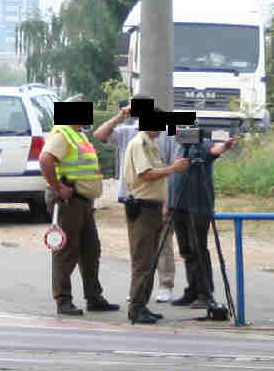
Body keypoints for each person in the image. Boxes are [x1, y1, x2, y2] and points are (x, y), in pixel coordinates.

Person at [93, 98, 178, 303]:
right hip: (136, 199)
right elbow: (100, 135)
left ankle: (163, 284)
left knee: (161, 244)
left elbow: (171, 172)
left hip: (156, 198)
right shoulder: (132, 135)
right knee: (139, 248)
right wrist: (121, 116)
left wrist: (168, 201)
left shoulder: (166, 136)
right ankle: (139, 291)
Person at [39, 115, 119, 316]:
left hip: (82, 201)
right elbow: (45, 159)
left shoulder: (79, 135)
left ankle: (94, 297)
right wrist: (58, 187)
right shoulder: (62, 134)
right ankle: (63, 300)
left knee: (90, 250)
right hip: (68, 201)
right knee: (66, 252)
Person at [122, 125, 189, 324]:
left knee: (150, 260)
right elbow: (146, 174)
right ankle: (136, 307)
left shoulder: (151, 144)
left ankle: (142, 304)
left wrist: (164, 205)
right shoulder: (139, 144)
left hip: (153, 207)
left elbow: (157, 180)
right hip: (142, 208)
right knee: (142, 260)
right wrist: (173, 169)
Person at [168, 133, 237, 308]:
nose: (177, 132)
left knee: (198, 248)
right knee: (186, 250)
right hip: (178, 206)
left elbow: (215, 150)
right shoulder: (178, 147)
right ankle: (193, 289)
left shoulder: (203, 146)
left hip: (197, 207)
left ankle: (205, 293)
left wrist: (225, 146)